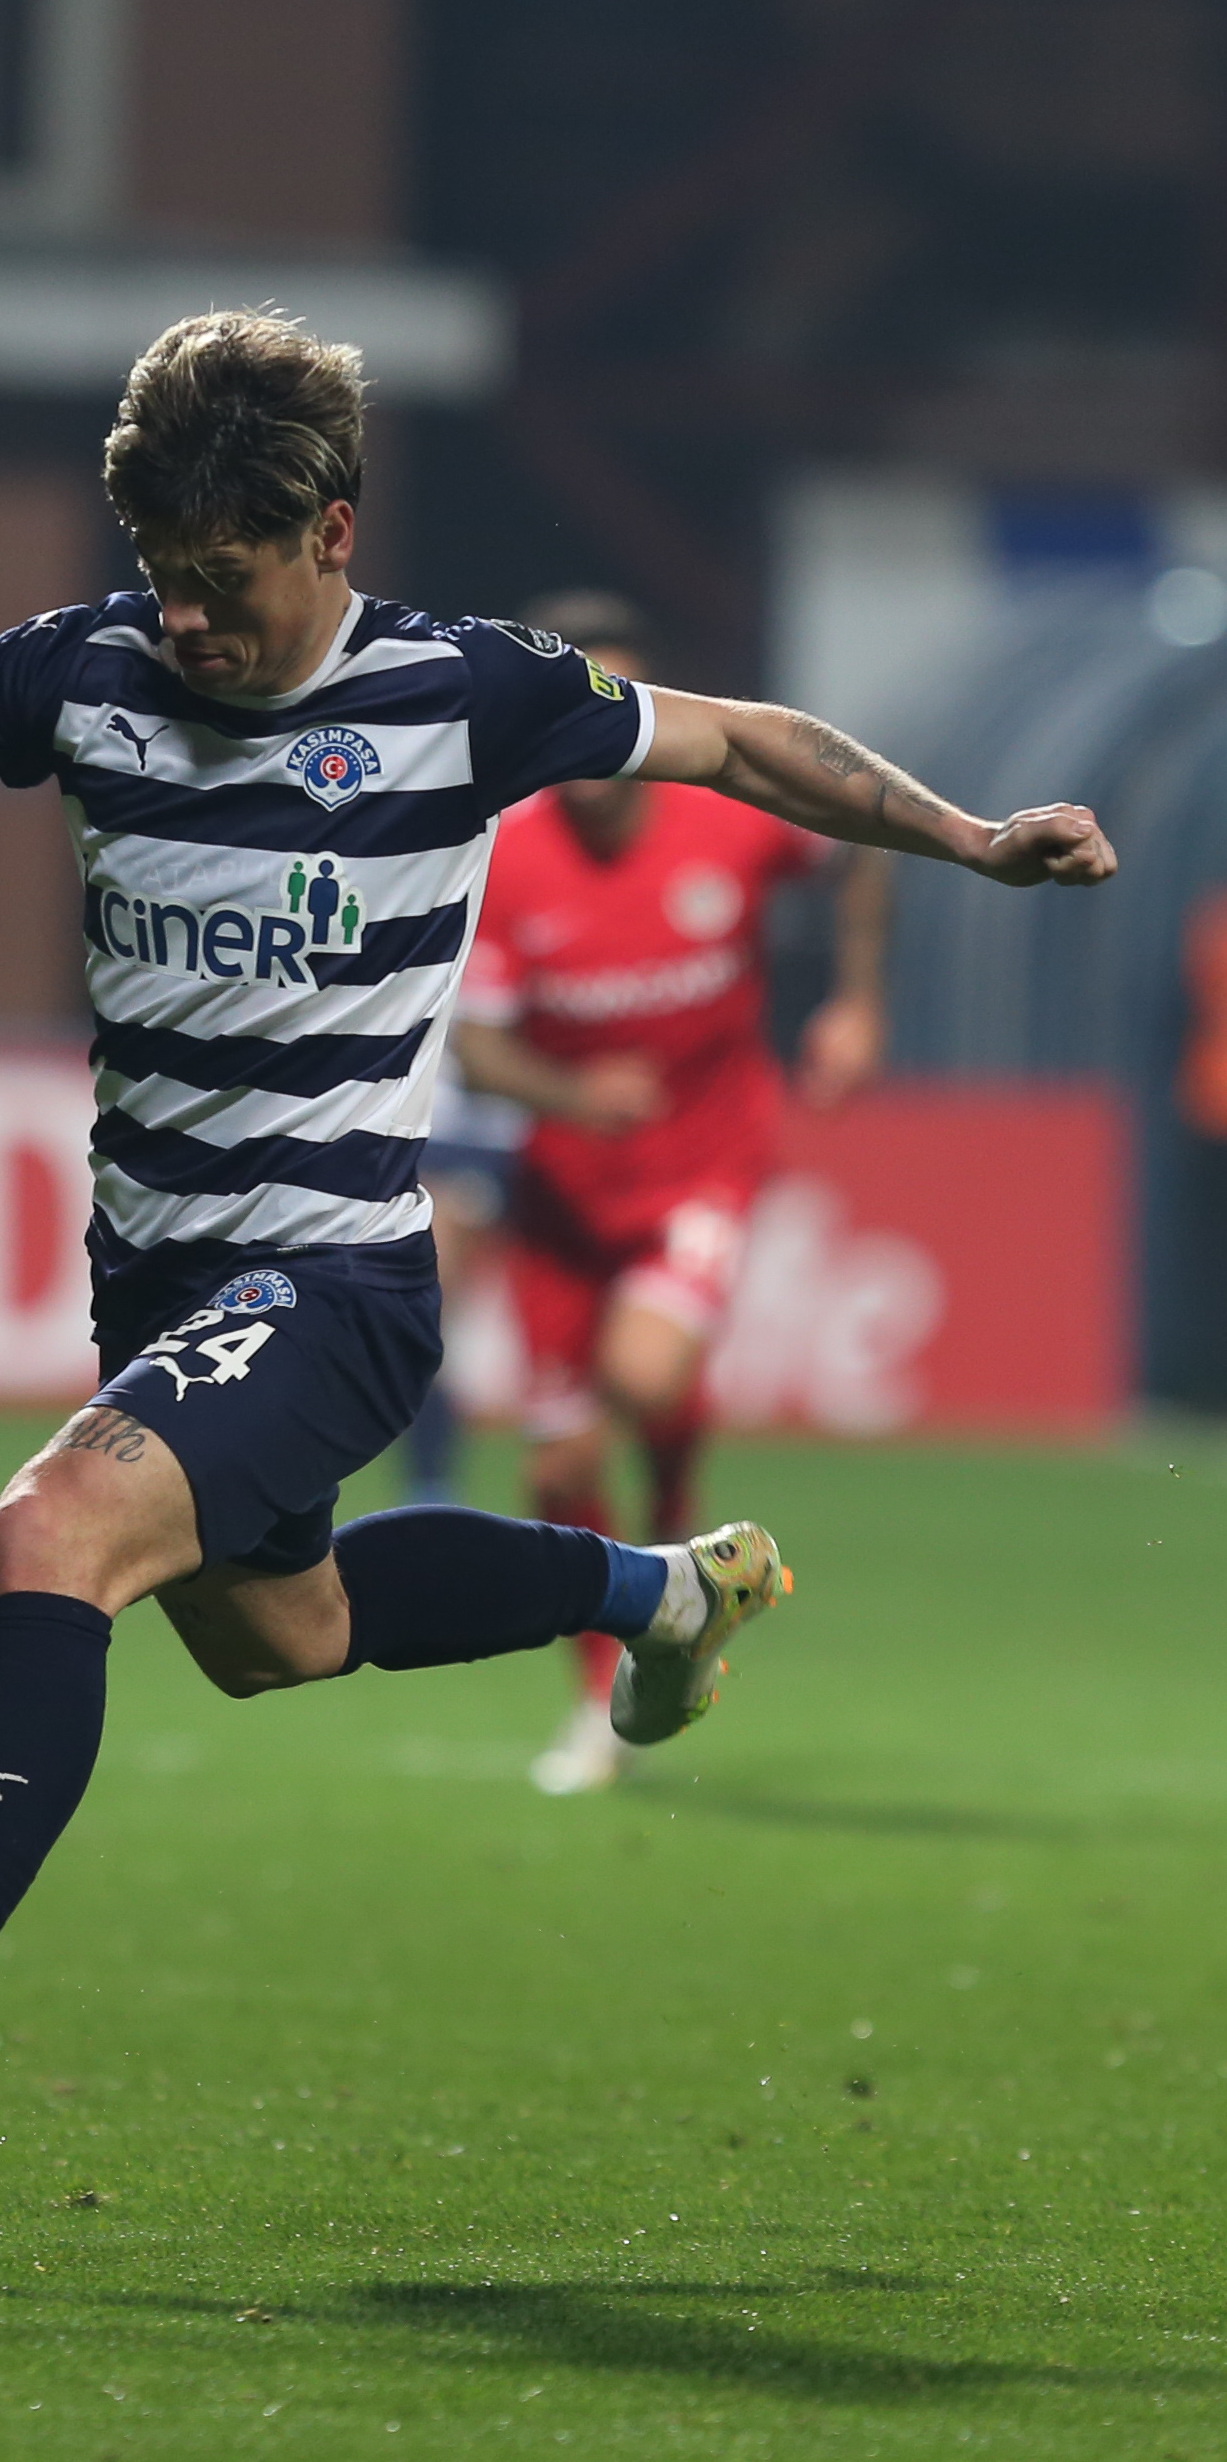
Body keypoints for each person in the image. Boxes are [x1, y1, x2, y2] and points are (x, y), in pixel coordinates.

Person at [0, 312, 1115, 2151]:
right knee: (280, 1636)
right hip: (158, 1279)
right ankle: (660, 1593)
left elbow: (738, 745)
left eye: (221, 579)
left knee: (51, 1529)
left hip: (333, 1277)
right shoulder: (75, 673)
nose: (182, 617)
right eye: (160, 572)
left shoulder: (463, 691)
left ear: (329, 534)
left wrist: (970, 838)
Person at [449, 593, 893, 1796]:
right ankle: (602, 1699)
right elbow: (475, 1050)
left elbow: (859, 840)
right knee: (556, 1475)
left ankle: (685, 1544)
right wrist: (568, 1090)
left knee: (644, 1376)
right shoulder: (505, 857)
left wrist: (856, 1003)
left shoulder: (728, 818)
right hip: (563, 1202)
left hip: (704, 1166)